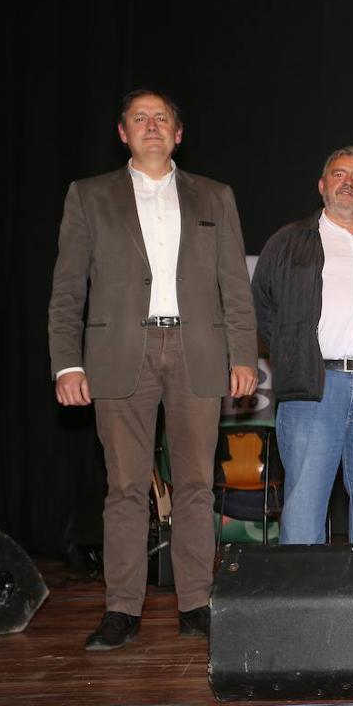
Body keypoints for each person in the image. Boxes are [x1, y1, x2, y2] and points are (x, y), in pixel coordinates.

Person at [49, 89, 258, 649]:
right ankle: (122, 610)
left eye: (160, 118)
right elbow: (68, 289)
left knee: (194, 485)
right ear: (122, 133)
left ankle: (196, 605)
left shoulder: (215, 196)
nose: (150, 126)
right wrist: (66, 363)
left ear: (178, 134)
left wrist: (243, 355)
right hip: (119, 354)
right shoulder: (89, 196)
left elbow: (234, 285)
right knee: (124, 487)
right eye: (139, 118)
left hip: (198, 351)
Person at [251, 146, 353, 545]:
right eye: (339, 174)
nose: (348, 183)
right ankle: (300, 601)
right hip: (314, 386)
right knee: (306, 503)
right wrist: (295, 352)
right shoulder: (290, 241)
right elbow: (262, 304)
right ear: (323, 185)